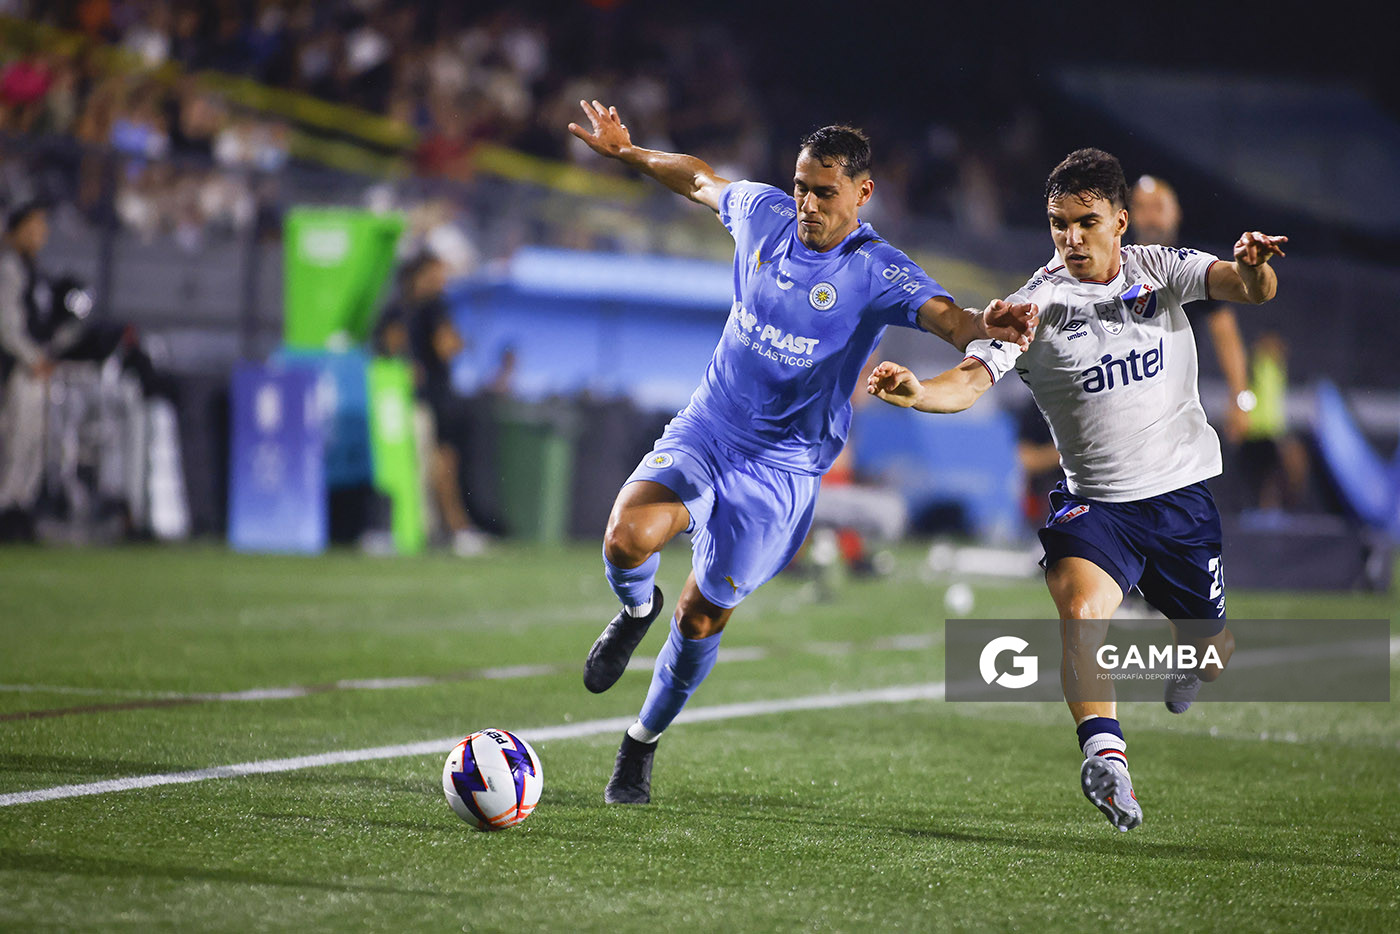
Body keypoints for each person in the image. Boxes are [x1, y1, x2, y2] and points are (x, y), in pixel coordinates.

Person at [566, 100, 1036, 804]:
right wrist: (630, 155)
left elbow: (951, 318)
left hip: (781, 470)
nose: (808, 202)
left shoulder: (878, 270)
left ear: (861, 193)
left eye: (824, 191)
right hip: (711, 426)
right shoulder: (763, 216)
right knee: (626, 538)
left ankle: (640, 744)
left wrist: (982, 323)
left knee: (699, 619)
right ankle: (635, 614)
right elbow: (699, 181)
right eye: (801, 186)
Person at [868, 148, 1286, 831]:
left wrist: (1253, 264)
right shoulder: (1033, 304)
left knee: (1212, 655)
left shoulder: (1161, 269)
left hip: (1180, 500)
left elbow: (1247, 289)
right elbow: (970, 381)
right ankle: (1106, 758)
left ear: (1120, 221)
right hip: (1096, 503)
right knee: (1079, 606)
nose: (1071, 239)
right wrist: (916, 392)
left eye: (1087, 222)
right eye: (1059, 224)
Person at [373, 251, 490, 556]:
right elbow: (446, 346)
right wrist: (462, 341)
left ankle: (409, 530)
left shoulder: (398, 308)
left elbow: (388, 345)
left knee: (409, 468)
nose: (443, 280)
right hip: (428, 399)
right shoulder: (434, 306)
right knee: (438, 466)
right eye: (438, 273)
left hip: (397, 399)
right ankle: (454, 530)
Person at [1130, 176, 1251, 444]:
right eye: (1141, 207)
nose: (1149, 217)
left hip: (1177, 405)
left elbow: (1225, 334)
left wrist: (1240, 399)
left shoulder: (1190, 267)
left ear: (1177, 212)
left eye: (1158, 207)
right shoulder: (1112, 265)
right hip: (1121, 403)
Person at [0, 200, 77, 539]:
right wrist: (34, 358)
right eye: (34, 225)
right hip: (16, 368)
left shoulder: (35, 269)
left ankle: (20, 508)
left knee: (32, 441)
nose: (41, 232)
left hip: (35, 368)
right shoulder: (8, 266)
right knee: (14, 440)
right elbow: (6, 325)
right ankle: (5, 508)